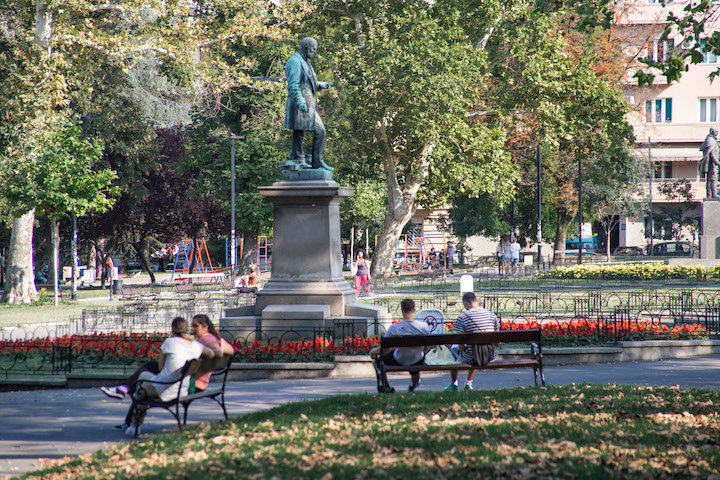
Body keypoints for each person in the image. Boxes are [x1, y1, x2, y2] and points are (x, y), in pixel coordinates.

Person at [101, 317, 216, 436]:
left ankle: (134, 423)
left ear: (173, 330)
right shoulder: (196, 346)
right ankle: (128, 412)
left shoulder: (169, 342)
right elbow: (212, 353)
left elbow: (161, 369)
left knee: (141, 387)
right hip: (182, 389)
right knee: (143, 378)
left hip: (165, 388)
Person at [284, 37, 333, 171]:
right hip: (300, 105)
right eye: (314, 50)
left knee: (320, 130)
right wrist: (300, 102)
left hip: (309, 107)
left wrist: (320, 85)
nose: (315, 53)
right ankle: (299, 159)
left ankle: (317, 161)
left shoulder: (305, 62)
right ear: (306, 48)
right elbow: (293, 85)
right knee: (299, 132)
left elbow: (307, 83)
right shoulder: (294, 61)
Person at [370, 299, 431, 392]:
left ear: (402, 310)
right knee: (416, 359)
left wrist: (372, 352)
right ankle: (413, 385)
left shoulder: (395, 328)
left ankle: (387, 387)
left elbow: (384, 348)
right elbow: (427, 347)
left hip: (399, 359)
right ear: (414, 310)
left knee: (378, 362)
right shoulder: (424, 326)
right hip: (417, 359)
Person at [444, 292, 500, 391]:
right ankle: (468, 383)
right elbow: (497, 343)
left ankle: (453, 383)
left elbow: (460, 346)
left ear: (464, 304)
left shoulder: (463, 317)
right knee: (475, 349)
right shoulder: (492, 315)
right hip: (489, 355)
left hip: (472, 356)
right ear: (477, 301)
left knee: (454, 349)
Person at [190, 314, 235, 392]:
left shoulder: (206, 339)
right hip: (201, 384)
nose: (192, 329)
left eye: (196, 326)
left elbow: (218, 352)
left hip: (193, 384)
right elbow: (231, 350)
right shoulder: (215, 339)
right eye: (192, 326)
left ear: (205, 327)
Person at [700, 127, 720, 198]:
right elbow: (712, 154)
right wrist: (718, 163)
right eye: (716, 131)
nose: (717, 133)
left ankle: (710, 195)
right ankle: (713, 194)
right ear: (713, 131)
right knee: (713, 179)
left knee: (710, 179)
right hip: (712, 164)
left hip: (712, 164)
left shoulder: (712, 140)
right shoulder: (710, 140)